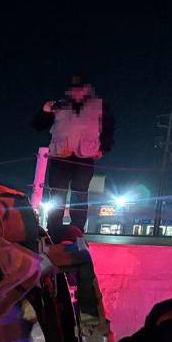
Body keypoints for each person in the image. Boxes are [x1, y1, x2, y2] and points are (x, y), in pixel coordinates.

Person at [33, 75, 114, 237]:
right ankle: (53, 230)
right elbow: (38, 125)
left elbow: (109, 129)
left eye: (80, 88)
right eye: (73, 88)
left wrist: (104, 149)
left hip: (84, 156)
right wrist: (44, 111)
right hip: (60, 156)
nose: (76, 91)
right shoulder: (58, 106)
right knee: (57, 194)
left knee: (81, 193)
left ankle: (77, 230)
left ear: (87, 89)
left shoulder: (99, 107)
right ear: (69, 90)